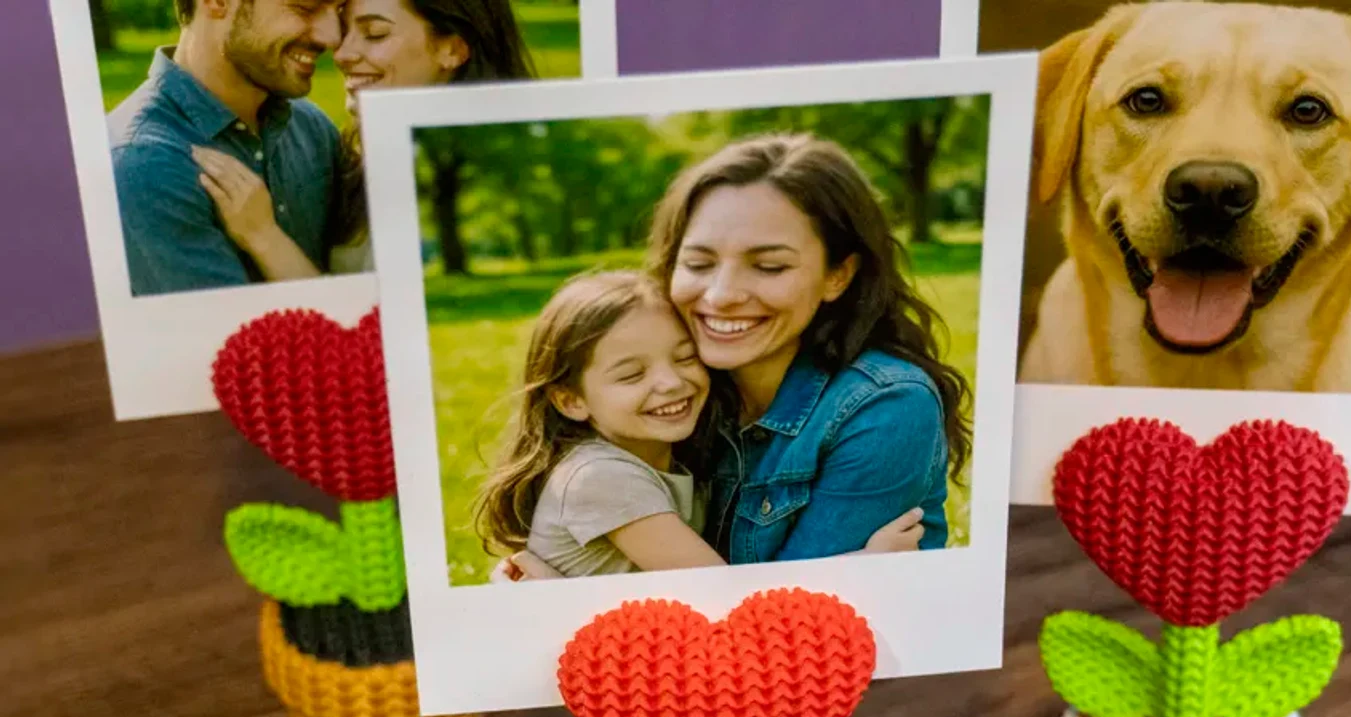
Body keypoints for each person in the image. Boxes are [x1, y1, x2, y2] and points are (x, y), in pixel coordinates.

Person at [649, 132, 973, 564]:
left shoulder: (886, 405)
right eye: (698, 264)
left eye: (769, 266)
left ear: (838, 275)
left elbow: (797, 623)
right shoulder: (664, 390)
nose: (722, 294)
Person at [474, 271, 924, 579]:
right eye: (632, 375)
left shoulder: (670, 458)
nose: (671, 383)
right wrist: (863, 565)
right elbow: (721, 600)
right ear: (570, 400)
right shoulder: (602, 477)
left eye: (686, 357)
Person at [194, 0, 536, 279]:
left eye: (374, 34)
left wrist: (265, 238)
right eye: (346, 30)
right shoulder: (355, 157)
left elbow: (373, 337)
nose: (341, 53)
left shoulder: (497, 179)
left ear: (453, 50)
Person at [108, 0, 343, 297]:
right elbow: (229, 339)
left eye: (338, 10)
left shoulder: (313, 127)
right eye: (305, 9)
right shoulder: (143, 164)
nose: (331, 37)